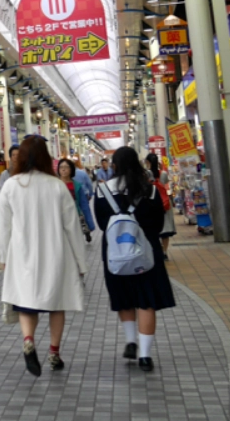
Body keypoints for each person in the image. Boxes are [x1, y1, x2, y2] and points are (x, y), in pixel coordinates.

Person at [0, 137, 87, 377]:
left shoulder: (11, 185)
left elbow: (4, 227)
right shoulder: (57, 185)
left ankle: (28, 340)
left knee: (27, 301)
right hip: (55, 252)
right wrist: (81, 262)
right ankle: (54, 353)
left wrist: (4, 257)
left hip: (22, 253)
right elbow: (72, 226)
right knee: (57, 304)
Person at [94, 147, 176, 373]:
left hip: (115, 252)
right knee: (146, 301)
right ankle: (145, 356)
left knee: (124, 297)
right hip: (147, 252)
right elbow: (158, 224)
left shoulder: (102, 190)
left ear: (115, 165)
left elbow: (102, 224)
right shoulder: (150, 190)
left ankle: (131, 341)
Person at [145, 153, 176, 261]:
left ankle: (156, 251)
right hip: (164, 204)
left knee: (154, 229)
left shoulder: (146, 174)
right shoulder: (163, 173)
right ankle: (164, 252)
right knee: (165, 229)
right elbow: (166, 186)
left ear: (148, 162)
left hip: (152, 204)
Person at [58, 159, 95, 243]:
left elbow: (84, 205)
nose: (63, 169)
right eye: (61, 167)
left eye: (66, 167)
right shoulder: (54, 185)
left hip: (74, 218)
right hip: (59, 218)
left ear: (71, 169)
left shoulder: (77, 185)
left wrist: (90, 223)